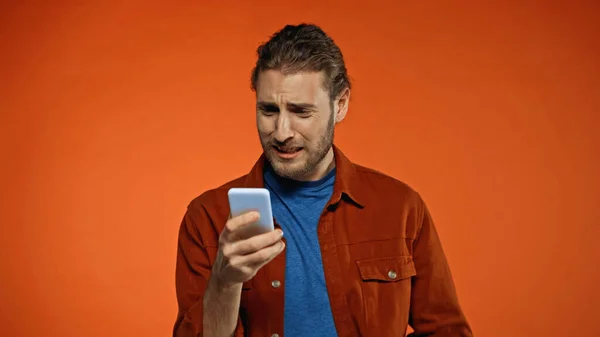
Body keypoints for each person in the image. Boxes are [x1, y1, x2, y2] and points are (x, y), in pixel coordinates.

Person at [173, 23, 472, 337]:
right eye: (269, 110)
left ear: (339, 105)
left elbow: (447, 331)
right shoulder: (207, 217)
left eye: (301, 111)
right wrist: (225, 282)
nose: (282, 132)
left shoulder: (401, 207)